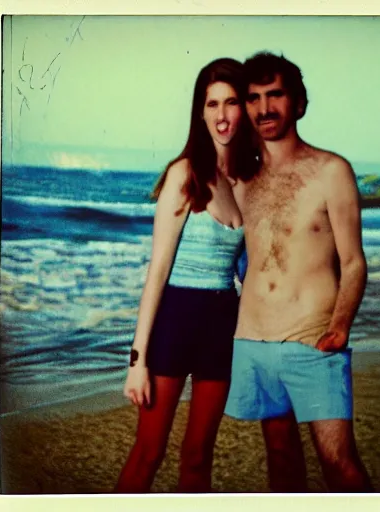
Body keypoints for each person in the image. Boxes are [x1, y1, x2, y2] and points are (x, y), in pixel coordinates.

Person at [225, 52, 374, 493]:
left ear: (299, 103)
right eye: (253, 98)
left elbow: (353, 262)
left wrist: (341, 326)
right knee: (281, 460)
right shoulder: (240, 179)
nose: (264, 108)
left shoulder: (332, 171)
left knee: (340, 464)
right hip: (253, 340)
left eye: (275, 95)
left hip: (313, 338)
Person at [115, 57, 258, 494]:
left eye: (231, 102)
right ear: (200, 111)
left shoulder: (250, 181)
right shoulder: (185, 174)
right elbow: (157, 271)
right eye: (211, 103)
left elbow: (253, 271)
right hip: (175, 322)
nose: (221, 115)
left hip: (222, 328)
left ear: (244, 109)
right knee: (148, 452)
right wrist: (137, 361)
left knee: (198, 457)